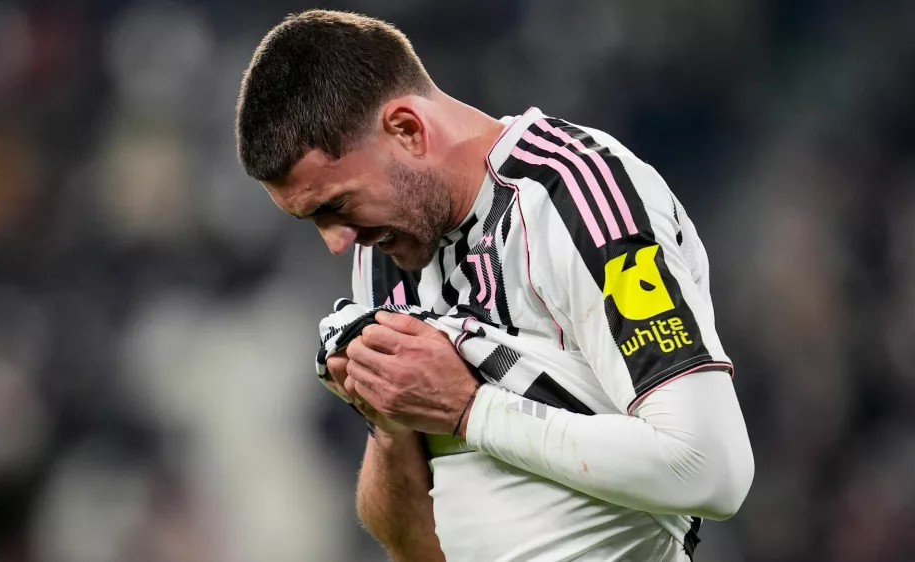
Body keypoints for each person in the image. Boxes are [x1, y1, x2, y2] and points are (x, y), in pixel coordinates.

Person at [235, 9, 754, 562]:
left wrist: (470, 411)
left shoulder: (579, 197)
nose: (337, 242)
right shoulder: (385, 254)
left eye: (336, 206)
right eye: (312, 220)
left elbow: (711, 468)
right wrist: (389, 418)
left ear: (407, 129)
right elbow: (419, 549)